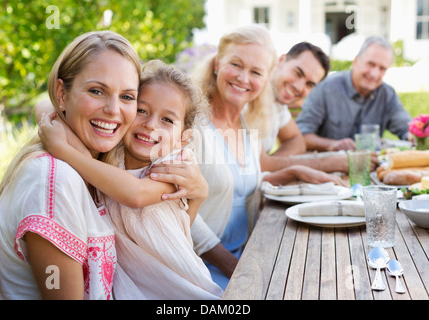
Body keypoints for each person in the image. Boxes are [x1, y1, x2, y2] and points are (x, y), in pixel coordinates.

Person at [154, 25, 345, 290]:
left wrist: (294, 173)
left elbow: (237, 185)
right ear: (217, 64)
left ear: (266, 78)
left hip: (245, 254)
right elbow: (172, 209)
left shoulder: (248, 121)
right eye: (236, 65)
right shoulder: (189, 125)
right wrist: (236, 269)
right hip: (198, 269)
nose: (244, 78)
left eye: (256, 72)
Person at [38, 60, 223, 299]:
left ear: (182, 138)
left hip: (180, 290)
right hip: (132, 288)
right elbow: (43, 105)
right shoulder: (112, 152)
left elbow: (135, 195)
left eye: (167, 120)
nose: (150, 125)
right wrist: (52, 122)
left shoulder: (175, 165)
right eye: (142, 111)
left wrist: (63, 150)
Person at [296, 36, 413, 152]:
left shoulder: (387, 95)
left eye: (382, 68)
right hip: (328, 166)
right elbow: (301, 135)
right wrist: (332, 145)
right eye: (370, 64)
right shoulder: (326, 89)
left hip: (371, 167)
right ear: (356, 61)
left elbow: (406, 128)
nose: (374, 74)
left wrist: (413, 135)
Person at [257, 42, 353, 174]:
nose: (299, 87)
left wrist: (273, 163)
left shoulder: (277, 103)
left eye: (309, 84)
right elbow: (257, 166)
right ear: (281, 60)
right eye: (297, 73)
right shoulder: (250, 94)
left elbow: (297, 141)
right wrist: (327, 163)